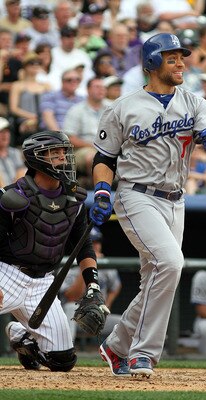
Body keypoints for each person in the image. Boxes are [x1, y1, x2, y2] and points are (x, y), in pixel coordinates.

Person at [89, 32, 206, 377]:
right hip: (137, 194)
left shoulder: (195, 102)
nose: (181, 63)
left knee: (158, 277)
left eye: (182, 56)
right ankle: (144, 353)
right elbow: (104, 157)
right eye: (172, 57)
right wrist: (103, 191)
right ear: (152, 62)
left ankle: (116, 346)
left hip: (176, 199)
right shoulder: (122, 107)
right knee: (170, 263)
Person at [0, 130, 108, 371]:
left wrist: (92, 285)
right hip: (7, 274)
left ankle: (23, 338)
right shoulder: (11, 196)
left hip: (43, 284)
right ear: (36, 159)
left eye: (64, 152)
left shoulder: (75, 199)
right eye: (54, 153)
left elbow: (84, 245)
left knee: (63, 361)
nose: (63, 158)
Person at [60, 226, 122, 343]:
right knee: (70, 307)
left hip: (97, 315)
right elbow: (71, 297)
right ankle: (66, 348)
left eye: (97, 241)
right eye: (91, 242)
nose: (95, 245)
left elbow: (116, 286)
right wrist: (86, 269)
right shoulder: (70, 265)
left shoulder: (107, 265)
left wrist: (106, 306)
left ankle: (119, 355)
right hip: (75, 317)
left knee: (125, 323)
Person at [0, 117, 26, 186]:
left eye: (6, 131)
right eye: (1, 132)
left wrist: (13, 195)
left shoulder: (15, 152)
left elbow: (21, 176)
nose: (5, 135)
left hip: (15, 194)